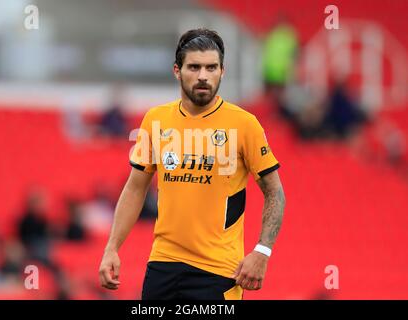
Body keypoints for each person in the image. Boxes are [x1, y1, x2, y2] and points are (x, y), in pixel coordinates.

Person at [98, 28, 286, 300]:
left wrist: (262, 251)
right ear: (177, 70)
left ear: (222, 71)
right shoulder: (156, 120)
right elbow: (135, 188)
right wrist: (112, 247)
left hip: (219, 271)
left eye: (211, 67)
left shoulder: (244, 124)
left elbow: (275, 192)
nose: (202, 76)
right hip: (162, 266)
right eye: (194, 67)